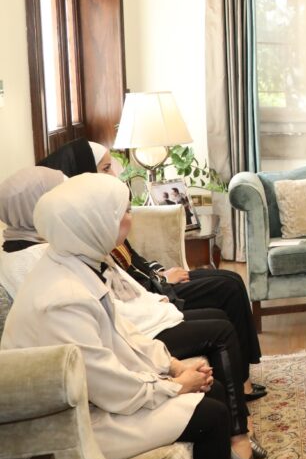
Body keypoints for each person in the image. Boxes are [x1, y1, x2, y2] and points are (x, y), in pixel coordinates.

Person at [0, 173, 273, 459]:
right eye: (123, 213)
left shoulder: (73, 263)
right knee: (212, 415)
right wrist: (176, 386)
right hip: (73, 423)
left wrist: (173, 365)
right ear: (93, 224)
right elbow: (107, 383)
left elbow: (124, 335)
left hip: (93, 399)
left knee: (214, 390)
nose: (130, 219)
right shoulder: (62, 299)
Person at [37, 139, 268, 400]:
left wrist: (160, 272)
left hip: (150, 287)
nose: (114, 174)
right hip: (148, 295)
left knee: (231, 280)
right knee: (227, 288)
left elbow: (135, 262)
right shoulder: (84, 227)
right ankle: (240, 383)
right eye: (106, 168)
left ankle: (243, 375)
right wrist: (161, 279)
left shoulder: (101, 214)